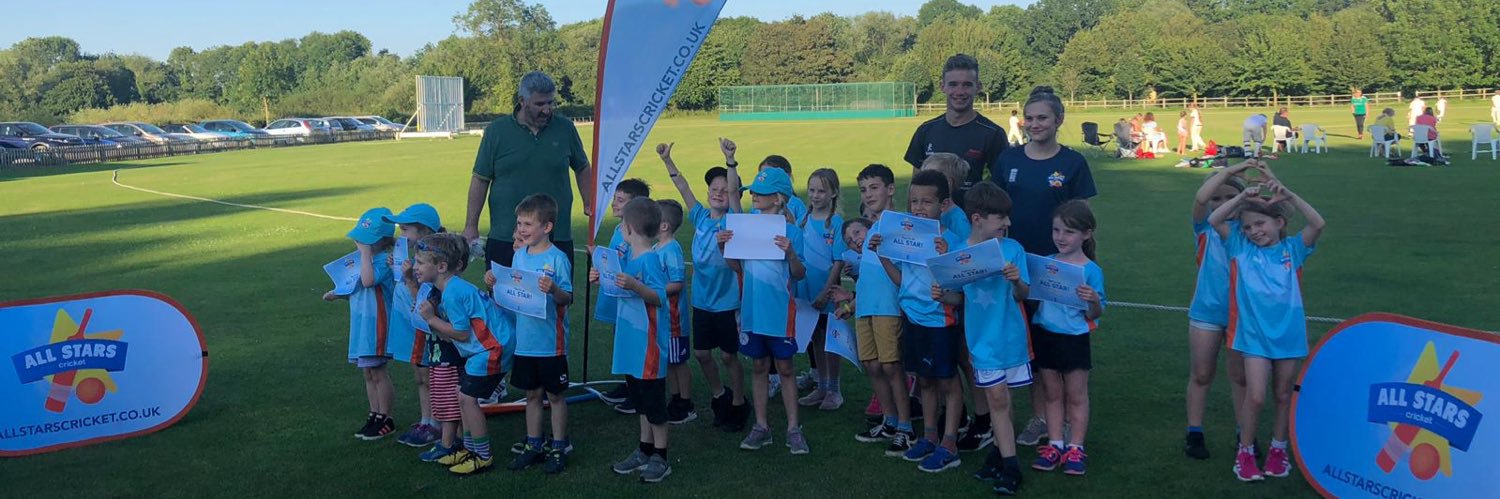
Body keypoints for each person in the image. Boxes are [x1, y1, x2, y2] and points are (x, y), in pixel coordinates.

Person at [996, 87, 1097, 447]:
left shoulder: (1072, 163)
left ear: (1058, 120)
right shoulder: (1008, 160)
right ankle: (1040, 419)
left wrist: (1081, 265)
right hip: (1015, 269)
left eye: (1042, 118)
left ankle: (1070, 421)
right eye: (1030, 117)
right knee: (1032, 347)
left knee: (1062, 347)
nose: (1034, 124)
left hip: (1058, 270)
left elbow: (1082, 219)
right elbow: (997, 214)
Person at [1208, 178, 1325, 482]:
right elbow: (1214, 219)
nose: (1253, 231)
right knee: (1256, 396)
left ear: (1279, 222)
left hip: (1289, 335)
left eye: (1260, 223)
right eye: (1247, 227)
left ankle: (1278, 450)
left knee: (1284, 394)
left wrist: (1290, 194)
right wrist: (1243, 197)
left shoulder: (1293, 249)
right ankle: (1244, 453)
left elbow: (1317, 223)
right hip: (1254, 337)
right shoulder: (1239, 248)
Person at [934, 181, 1030, 494]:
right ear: (977, 219)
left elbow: (1024, 294)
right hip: (981, 341)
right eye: (1000, 218)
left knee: (1004, 399)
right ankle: (1011, 465)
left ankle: (1001, 455)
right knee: (997, 398)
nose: (1008, 223)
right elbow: (959, 297)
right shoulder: (960, 253)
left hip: (1012, 337)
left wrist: (1016, 281)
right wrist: (943, 296)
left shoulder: (1013, 249)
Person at [869, 170, 966, 473]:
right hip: (913, 318)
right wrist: (883, 255)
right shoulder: (906, 240)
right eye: (914, 202)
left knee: (948, 382)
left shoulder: (951, 241)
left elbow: (960, 291)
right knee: (923, 380)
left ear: (943, 204)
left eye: (927, 202)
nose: (919, 208)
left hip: (940, 321)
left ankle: (949, 443)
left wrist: (946, 255)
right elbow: (901, 281)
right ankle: (929, 436)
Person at [657, 140, 751, 432]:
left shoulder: (735, 220)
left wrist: (730, 160)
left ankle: (738, 401)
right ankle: (718, 395)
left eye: (725, 190)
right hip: (702, 301)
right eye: (714, 189)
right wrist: (667, 160)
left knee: (728, 355)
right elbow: (684, 188)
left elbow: (734, 192)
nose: (719, 193)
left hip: (728, 302)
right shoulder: (699, 216)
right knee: (701, 354)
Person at [719, 167, 810, 455]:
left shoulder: (792, 231)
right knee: (758, 366)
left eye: (761, 192)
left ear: (779, 198)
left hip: (780, 312)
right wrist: (725, 249)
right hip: (751, 311)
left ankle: (794, 429)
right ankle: (761, 426)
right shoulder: (745, 225)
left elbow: (799, 274)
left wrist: (791, 252)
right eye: (753, 192)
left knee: (784, 368)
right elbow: (736, 267)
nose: (754, 196)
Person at [481, 194, 574, 474]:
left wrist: (553, 290)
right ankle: (534, 444)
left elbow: (567, 297)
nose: (521, 229)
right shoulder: (519, 255)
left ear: (546, 227)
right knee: (532, 395)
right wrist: (494, 282)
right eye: (519, 223)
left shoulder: (557, 259)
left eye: (527, 224)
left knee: (555, 396)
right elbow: (513, 291)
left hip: (550, 343)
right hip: (526, 343)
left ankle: (558, 446)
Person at [465, 71, 593, 269]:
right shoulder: (497, 131)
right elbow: (480, 179)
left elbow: (582, 167)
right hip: (506, 237)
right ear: (522, 101)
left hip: (554, 236)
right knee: (501, 298)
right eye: (540, 104)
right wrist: (471, 226)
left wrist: (588, 202)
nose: (547, 110)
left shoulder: (565, 128)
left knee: (555, 297)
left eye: (551, 103)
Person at [415, 233, 516, 475]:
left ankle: (482, 455)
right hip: (487, 348)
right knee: (463, 397)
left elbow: (460, 334)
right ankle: (469, 449)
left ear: (440, 267)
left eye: (420, 262)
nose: (415, 267)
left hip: (493, 348)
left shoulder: (453, 293)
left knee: (468, 399)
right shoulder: (451, 288)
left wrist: (431, 319)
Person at [596, 198, 675, 483]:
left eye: (621, 226)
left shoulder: (650, 260)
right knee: (640, 401)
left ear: (628, 229)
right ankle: (644, 449)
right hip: (631, 343)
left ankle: (661, 457)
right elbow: (621, 288)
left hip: (648, 347)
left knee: (654, 405)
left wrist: (636, 285)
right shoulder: (629, 259)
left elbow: (659, 297)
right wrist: (602, 276)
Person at [1182, 162, 1256, 460]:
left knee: (1240, 378)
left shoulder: (1251, 229)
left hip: (1243, 315)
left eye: (1229, 198)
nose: (1222, 203)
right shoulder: (1205, 228)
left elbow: (1286, 217)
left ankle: (1244, 435)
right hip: (1206, 312)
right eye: (1218, 198)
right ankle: (1194, 433)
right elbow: (1201, 200)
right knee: (1201, 374)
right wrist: (1227, 173)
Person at [1029, 200, 1105, 477]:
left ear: (1086, 234)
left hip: (1074, 338)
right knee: (1051, 393)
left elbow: (1096, 313)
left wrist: (1092, 300)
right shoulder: (1047, 263)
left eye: (1069, 232)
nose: (1061, 237)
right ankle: (1055, 444)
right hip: (1046, 334)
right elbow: (1035, 300)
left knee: (1076, 395)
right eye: (1056, 230)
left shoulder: (1091, 270)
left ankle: (1076, 447)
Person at [848, 164, 917, 455]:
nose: (868, 194)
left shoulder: (901, 224)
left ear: (890, 189)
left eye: (874, 187)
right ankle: (889, 420)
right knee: (872, 365)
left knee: (891, 365)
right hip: (865, 306)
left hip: (888, 306)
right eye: (864, 189)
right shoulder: (869, 226)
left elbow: (906, 272)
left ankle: (906, 427)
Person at [324, 208, 398, 441]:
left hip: (377, 326)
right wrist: (338, 294)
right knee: (368, 372)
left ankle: (386, 417)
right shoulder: (363, 260)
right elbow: (355, 287)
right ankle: (374, 413)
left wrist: (365, 255)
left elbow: (367, 281)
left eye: (365, 240)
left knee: (378, 372)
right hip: (361, 327)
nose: (359, 243)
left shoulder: (385, 262)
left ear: (382, 241)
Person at [904, 53, 1008, 207]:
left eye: (967, 85)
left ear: (978, 87)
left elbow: (1000, 188)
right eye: (953, 84)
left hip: (974, 225)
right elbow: (916, 185)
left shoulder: (993, 134)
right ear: (942, 86)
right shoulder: (926, 131)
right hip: (933, 226)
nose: (960, 91)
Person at [385, 204, 444, 449]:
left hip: (425, 328)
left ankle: (437, 424)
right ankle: (425, 420)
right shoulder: (412, 259)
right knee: (420, 376)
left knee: (429, 377)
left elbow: (424, 296)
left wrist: (409, 277)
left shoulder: (430, 264)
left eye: (406, 229)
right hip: (412, 327)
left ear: (424, 231)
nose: (401, 235)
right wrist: (396, 269)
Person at [595, 179, 651, 412]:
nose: (614, 204)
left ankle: (638, 394)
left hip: (630, 300)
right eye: (615, 199)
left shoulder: (637, 235)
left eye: (620, 200)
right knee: (621, 342)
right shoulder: (618, 230)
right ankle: (628, 386)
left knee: (633, 345)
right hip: (616, 296)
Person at [796, 168, 848, 411]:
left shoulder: (835, 223)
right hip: (805, 290)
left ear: (833, 193)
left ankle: (834, 389)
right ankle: (821, 384)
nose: (815, 195)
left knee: (830, 340)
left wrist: (826, 293)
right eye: (812, 190)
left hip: (825, 292)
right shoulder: (803, 220)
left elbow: (837, 261)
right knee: (815, 338)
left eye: (821, 191)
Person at [653, 199, 697, 425]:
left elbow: (677, 283)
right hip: (662, 320)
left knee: (678, 361)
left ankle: (686, 403)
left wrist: (653, 291)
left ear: (664, 226)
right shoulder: (656, 248)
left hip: (674, 320)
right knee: (669, 361)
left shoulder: (671, 249)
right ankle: (676, 397)